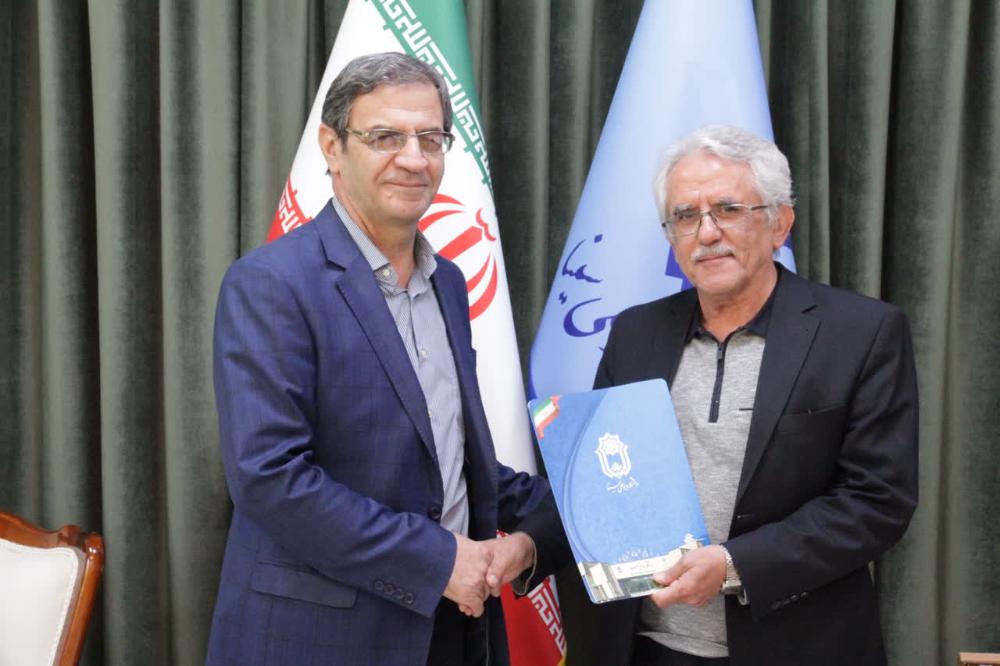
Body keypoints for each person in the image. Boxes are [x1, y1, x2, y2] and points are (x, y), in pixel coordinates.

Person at [206, 52, 568, 666]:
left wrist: (539, 532)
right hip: (323, 639)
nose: (414, 158)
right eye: (385, 137)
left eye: (430, 138)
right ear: (332, 147)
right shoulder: (271, 283)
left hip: (455, 629)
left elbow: (451, 461)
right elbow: (270, 478)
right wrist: (439, 561)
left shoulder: (448, 283)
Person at [571, 125, 918, 666]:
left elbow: (876, 502)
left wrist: (735, 565)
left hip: (798, 647)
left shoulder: (862, 332)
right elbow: (599, 480)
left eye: (728, 209)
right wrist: (522, 545)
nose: (706, 232)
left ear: (780, 223)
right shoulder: (635, 333)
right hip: (646, 646)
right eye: (686, 216)